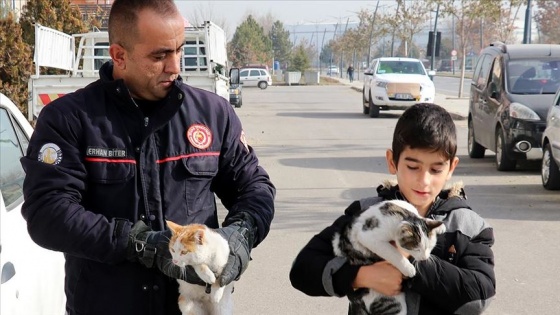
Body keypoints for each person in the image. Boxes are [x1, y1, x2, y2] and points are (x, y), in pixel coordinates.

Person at [20, 1, 275, 314]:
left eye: (180, 50)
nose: (175, 66)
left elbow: (255, 188)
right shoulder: (69, 120)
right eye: (160, 56)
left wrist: (241, 235)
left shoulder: (213, 114)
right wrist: (139, 244)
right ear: (119, 56)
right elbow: (48, 213)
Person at [289, 103, 495, 314]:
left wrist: (410, 259)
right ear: (392, 161)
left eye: (435, 169)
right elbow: (302, 269)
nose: (424, 180)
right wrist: (360, 275)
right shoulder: (368, 214)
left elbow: (479, 296)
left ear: (451, 168)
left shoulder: (467, 226)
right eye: (413, 167)